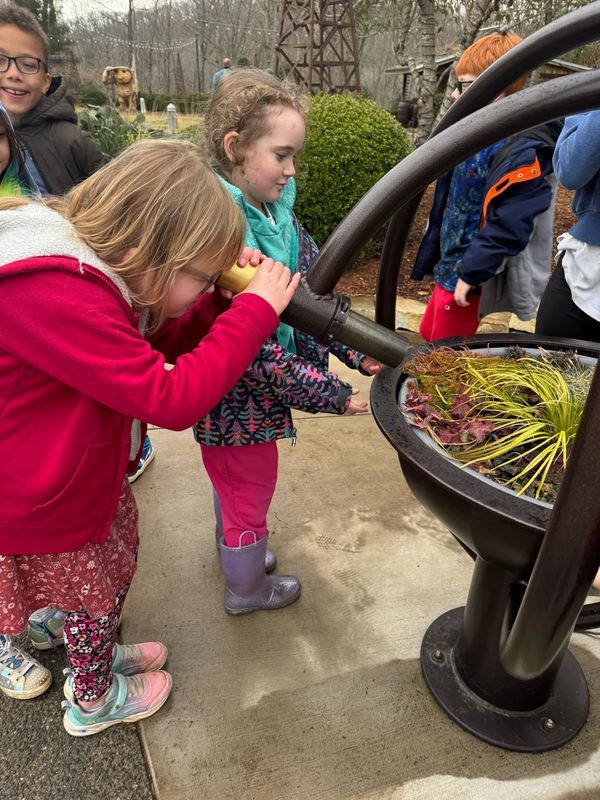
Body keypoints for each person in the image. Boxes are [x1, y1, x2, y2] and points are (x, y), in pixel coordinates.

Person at [0, 138, 300, 733]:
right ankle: (92, 698)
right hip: (39, 494)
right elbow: (170, 397)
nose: (206, 283)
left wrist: (214, 300)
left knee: (97, 585)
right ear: (150, 253)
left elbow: (145, 345)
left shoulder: (92, 268)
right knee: (97, 593)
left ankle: (94, 656)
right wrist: (253, 312)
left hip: (66, 477)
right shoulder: (57, 292)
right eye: (200, 274)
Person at [198, 68, 381, 615]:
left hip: (247, 410)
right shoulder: (225, 239)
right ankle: (246, 588)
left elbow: (313, 304)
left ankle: (236, 546)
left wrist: (356, 350)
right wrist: (330, 393)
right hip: (236, 406)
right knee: (249, 494)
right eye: (281, 154)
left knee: (235, 491)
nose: (292, 169)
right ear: (235, 148)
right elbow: (254, 354)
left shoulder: (279, 219)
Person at [412, 32, 558, 342]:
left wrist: (472, 272)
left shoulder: (518, 148)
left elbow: (513, 219)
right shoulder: (476, 132)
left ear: (500, 90)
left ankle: (446, 393)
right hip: (449, 263)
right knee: (428, 334)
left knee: (446, 356)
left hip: (467, 270)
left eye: (465, 86)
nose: (454, 96)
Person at [0, 4, 104, 196]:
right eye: (0, 60)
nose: (13, 74)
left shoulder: (72, 142)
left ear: (46, 82)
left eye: (29, 64)